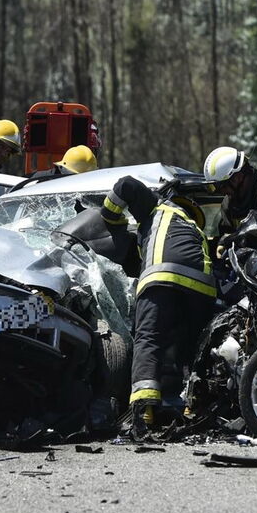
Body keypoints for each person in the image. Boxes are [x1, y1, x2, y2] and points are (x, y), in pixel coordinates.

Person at [100, 175, 216, 439]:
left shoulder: (157, 207)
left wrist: (110, 217)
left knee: (149, 339)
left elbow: (126, 184)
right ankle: (185, 407)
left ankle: (143, 412)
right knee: (188, 348)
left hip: (162, 275)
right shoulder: (196, 232)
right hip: (202, 289)